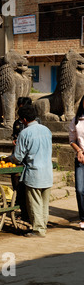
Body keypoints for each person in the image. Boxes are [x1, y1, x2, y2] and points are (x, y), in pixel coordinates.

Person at [4, 104, 53, 237]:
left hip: (34, 173)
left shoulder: (24, 133)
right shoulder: (46, 130)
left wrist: (7, 159)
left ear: (24, 120)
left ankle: (38, 230)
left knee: (35, 203)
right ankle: (43, 226)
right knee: (44, 203)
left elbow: (18, 157)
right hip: (47, 172)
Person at [10, 96, 33, 223]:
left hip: (28, 158)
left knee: (27, 186)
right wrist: (14, 140)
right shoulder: (17, 123)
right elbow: (14, 136)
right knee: (17, 183)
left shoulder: (35, 122)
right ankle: (21, 210)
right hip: (18, 155)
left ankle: (28, 212)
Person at [69, 95, 84, 229]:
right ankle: (83, 218)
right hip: (80, 158)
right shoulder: (76, 120)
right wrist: (79, 151)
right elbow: (72, 140)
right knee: (79, 189)